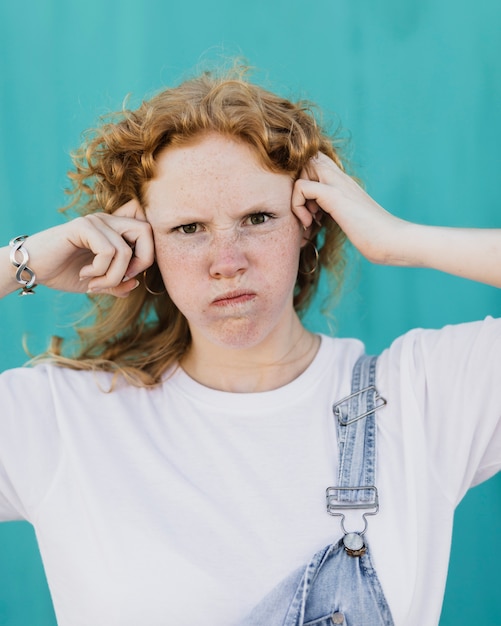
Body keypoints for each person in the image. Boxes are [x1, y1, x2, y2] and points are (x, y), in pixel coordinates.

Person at [0, 67, 500, 626]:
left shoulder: (422, 398)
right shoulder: (62, 420)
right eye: (189, 228)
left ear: (309, 221)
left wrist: (398, 240)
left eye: (258, 218)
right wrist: (22, 261)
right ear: (142, 245)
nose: (227, 261)